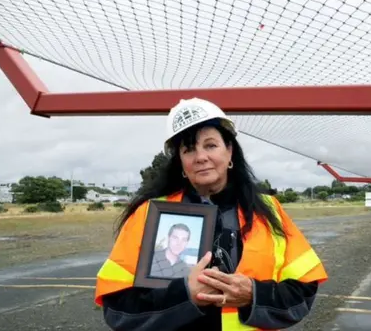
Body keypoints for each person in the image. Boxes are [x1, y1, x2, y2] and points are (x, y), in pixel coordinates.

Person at [94, 97, 328, 330]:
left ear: (229, 152)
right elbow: (118, 309)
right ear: (181, 163)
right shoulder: (148, 215)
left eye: (210, 145)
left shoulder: (268, 211)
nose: (200, 157)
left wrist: (253, 295)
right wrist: (185, 295)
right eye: (188, 149)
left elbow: (302, 292)